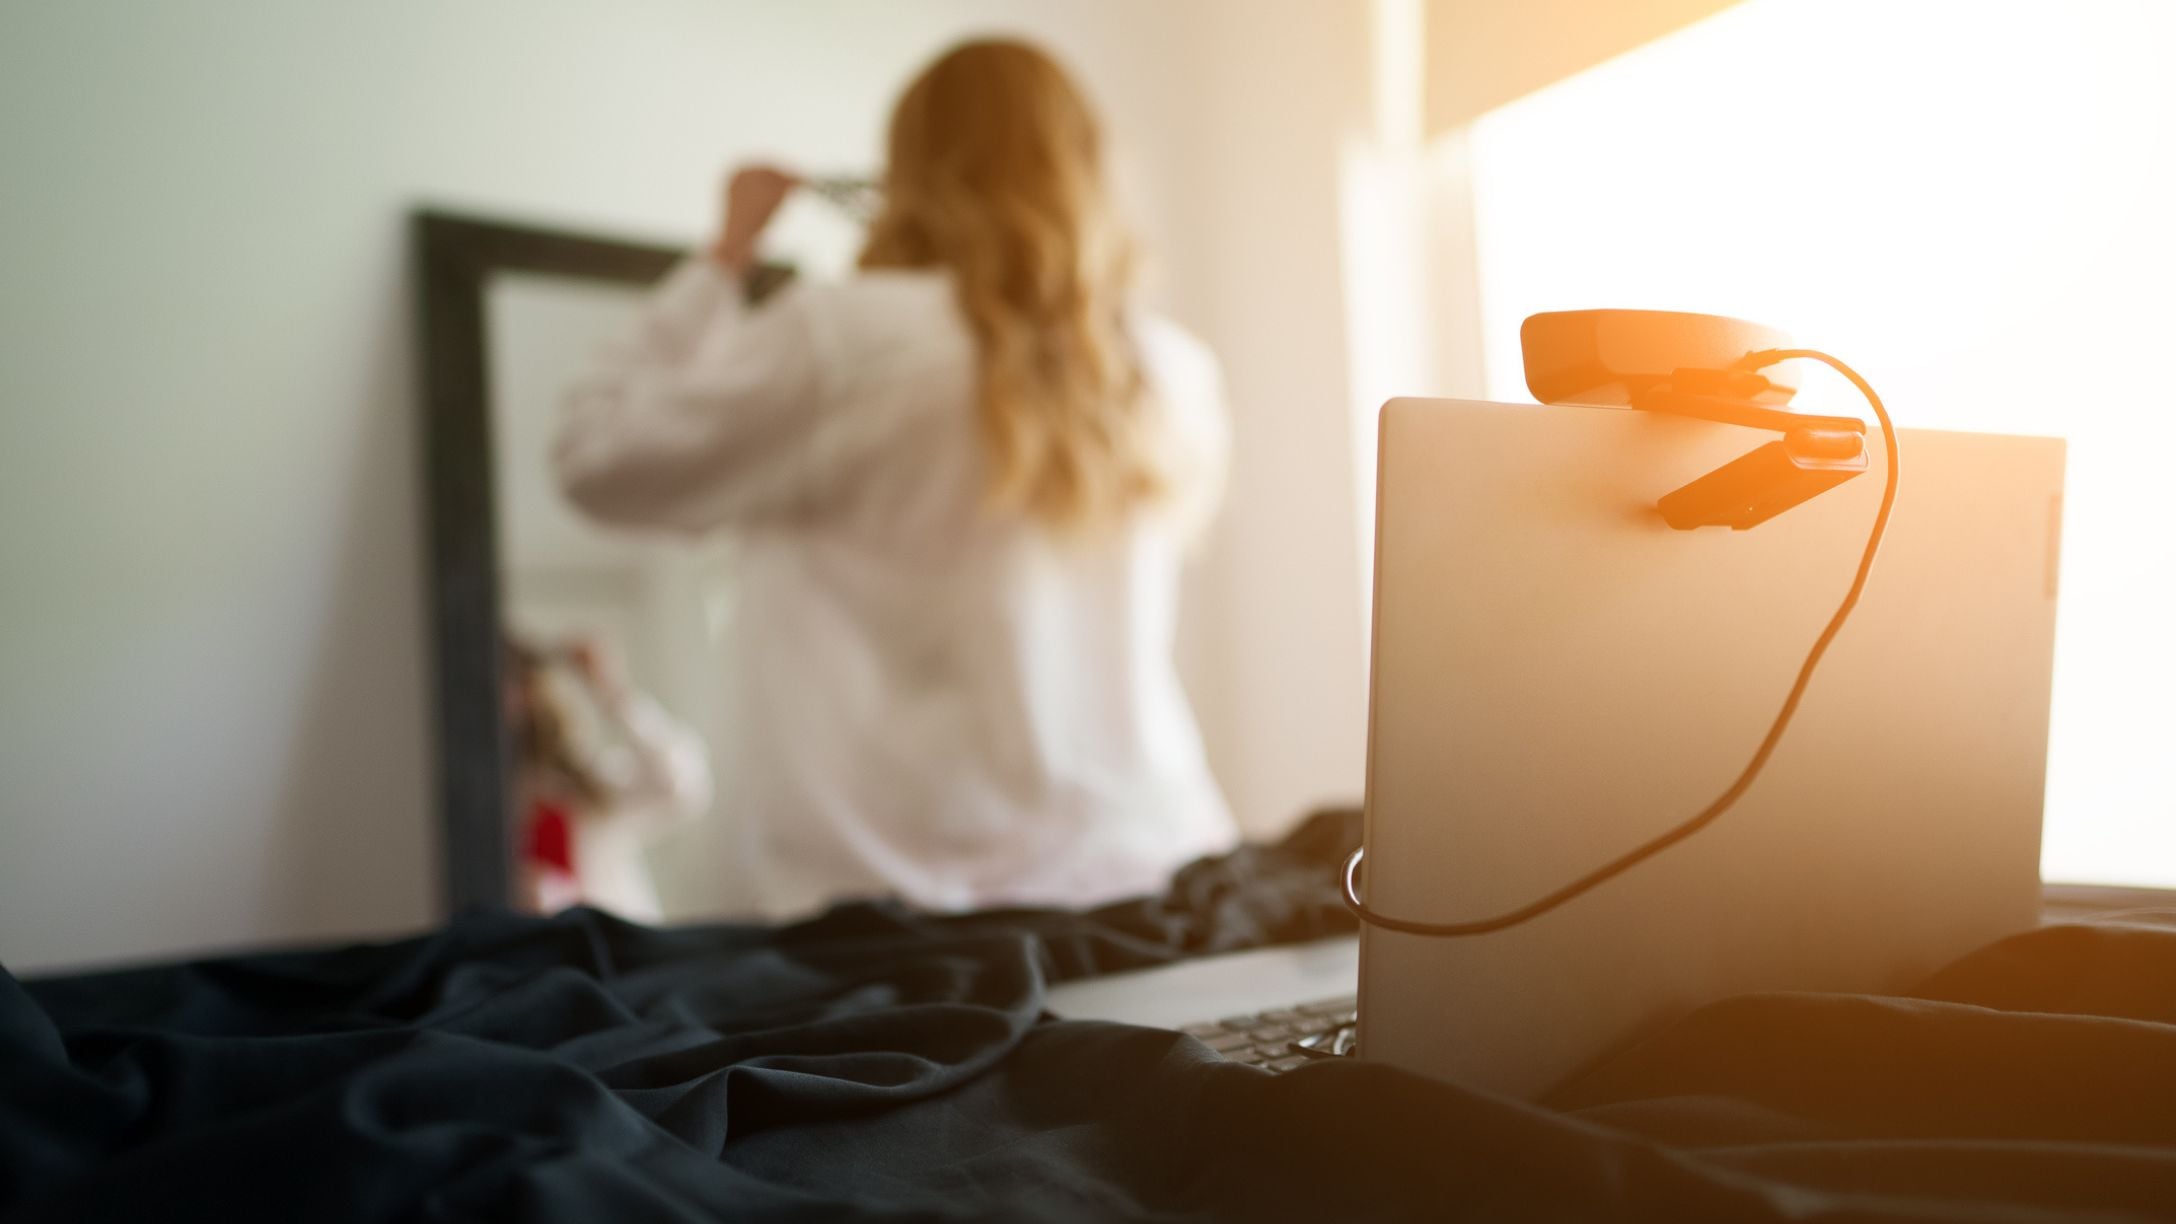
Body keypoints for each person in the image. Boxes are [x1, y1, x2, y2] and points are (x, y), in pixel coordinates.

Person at [553, 38, 1237, 919]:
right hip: (1156, 885)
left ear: (911, 170)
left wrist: (723, 256)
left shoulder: (845, 340)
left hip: (897, 926)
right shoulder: (1172, 370)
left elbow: (593, 457)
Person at [504, 636, 712, 922]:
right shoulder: (481, 807)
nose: (509, 699)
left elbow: (680, 784)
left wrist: (612, 693)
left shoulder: (589, 788)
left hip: (622, 959)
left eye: (516, 682)